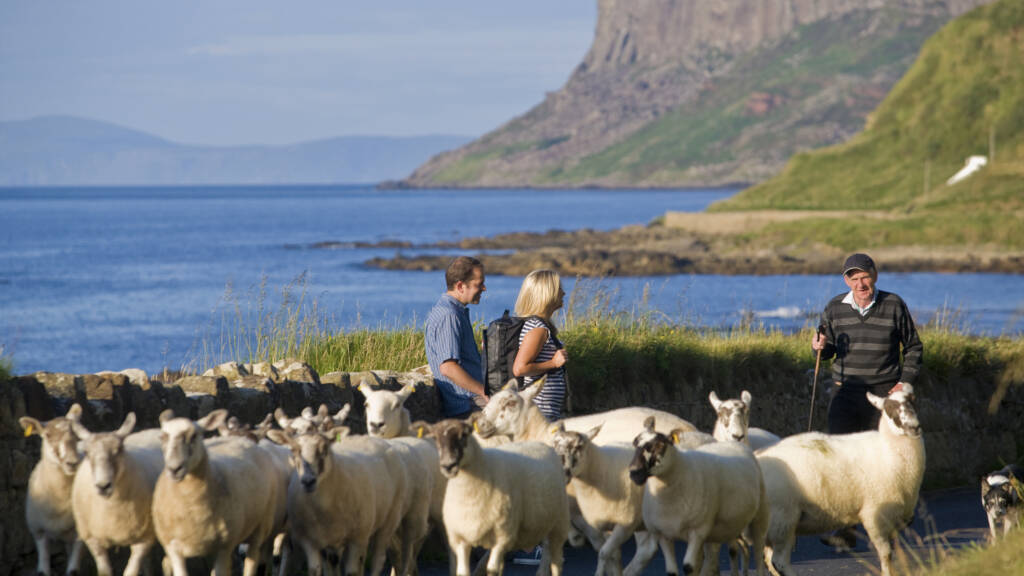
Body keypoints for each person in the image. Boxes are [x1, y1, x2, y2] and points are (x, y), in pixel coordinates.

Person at [812, 252, 923, 550]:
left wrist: (904, 383)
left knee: (887, 460)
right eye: (854, 277)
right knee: (840, 457)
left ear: (874, 275)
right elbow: (828, 349)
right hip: (846, 391)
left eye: (865, 276)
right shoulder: (835, 307)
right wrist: (818, 346)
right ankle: (844, 528)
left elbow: (913, 348)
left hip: (886, 393)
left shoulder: (893, 304)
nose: (861, 283)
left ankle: (893, 518)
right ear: (846, 280)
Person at [425, 256, 488, 419]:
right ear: (460, 286)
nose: (484, 288)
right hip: (468, 404)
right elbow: (448, 368)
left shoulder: (451, 311)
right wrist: (484, 392)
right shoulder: (449, 316)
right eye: (479, 284)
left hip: (469, 401)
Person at [512, 269, 569, 421]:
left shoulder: (540, 325)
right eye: (559, 289)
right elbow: (520, 368)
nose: (563, 293)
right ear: (547, 293)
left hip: (544, 409)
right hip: (541, 410)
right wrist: (554, 363)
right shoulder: (538, 328)